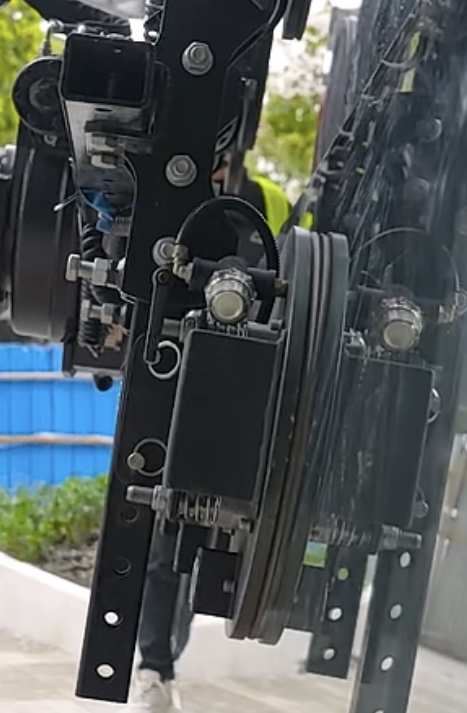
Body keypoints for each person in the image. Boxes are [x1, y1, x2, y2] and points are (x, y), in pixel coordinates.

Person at [132, 149, 294, 712]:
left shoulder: (271, 202)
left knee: (196, 534)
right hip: (183, 377)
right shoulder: (172, 201)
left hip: (249, 387)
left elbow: (297, 286)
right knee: (168, 533)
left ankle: (161, 660)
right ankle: (155, 667)